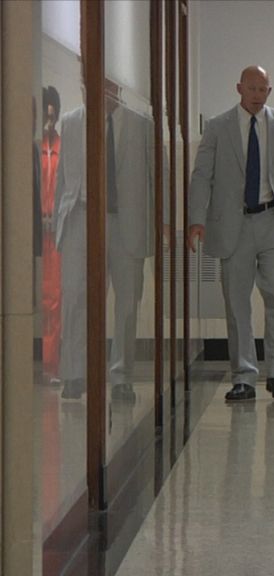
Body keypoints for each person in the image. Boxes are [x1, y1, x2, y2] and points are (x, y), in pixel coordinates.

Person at [188, 65, 274, 401]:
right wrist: (196, 218)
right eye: (252, 89)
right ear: (239, 88)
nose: (258, 96)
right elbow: (202, 176)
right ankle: (243, 375)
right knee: (237, 302)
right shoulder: (218, 127)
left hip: (273, 219)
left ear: (270, 91)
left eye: (264, 90)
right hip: (233, 223)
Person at [55, 79, 155, 400]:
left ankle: (121, 376)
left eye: (106, 83)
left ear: (119, 86)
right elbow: (63, 178)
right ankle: (74, 373)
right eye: (88, 84)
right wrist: (60, 224)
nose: (99, 90)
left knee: (127, 303)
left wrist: (162, 223)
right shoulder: (71, 122)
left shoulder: (141, 125)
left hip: (127, 223)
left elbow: (156, 174)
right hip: (82, 218)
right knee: (76, 299)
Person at [40, 86, 62, 384]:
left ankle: (51, 365)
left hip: (54, 231)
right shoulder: (31, 148)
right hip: (32, 230)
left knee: (55, 298)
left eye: (52, 110)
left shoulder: (62, 147)